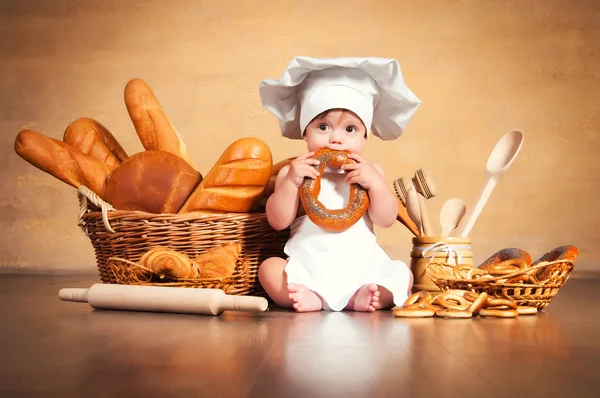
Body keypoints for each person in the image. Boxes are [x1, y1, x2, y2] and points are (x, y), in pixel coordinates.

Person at [257, 57, 421, 312]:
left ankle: (364, 297)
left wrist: (376, 186)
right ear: (305, 132)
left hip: (362, 266)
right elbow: (278, 221)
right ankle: (312, 296)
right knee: (269, 268)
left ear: (365, 137)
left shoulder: (371, 172)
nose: (336, 138)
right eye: (323, 126)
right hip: (308, 265)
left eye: (351, 129)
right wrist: (291, 183)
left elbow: (385, 219)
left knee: (405, 276)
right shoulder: (293, 172)